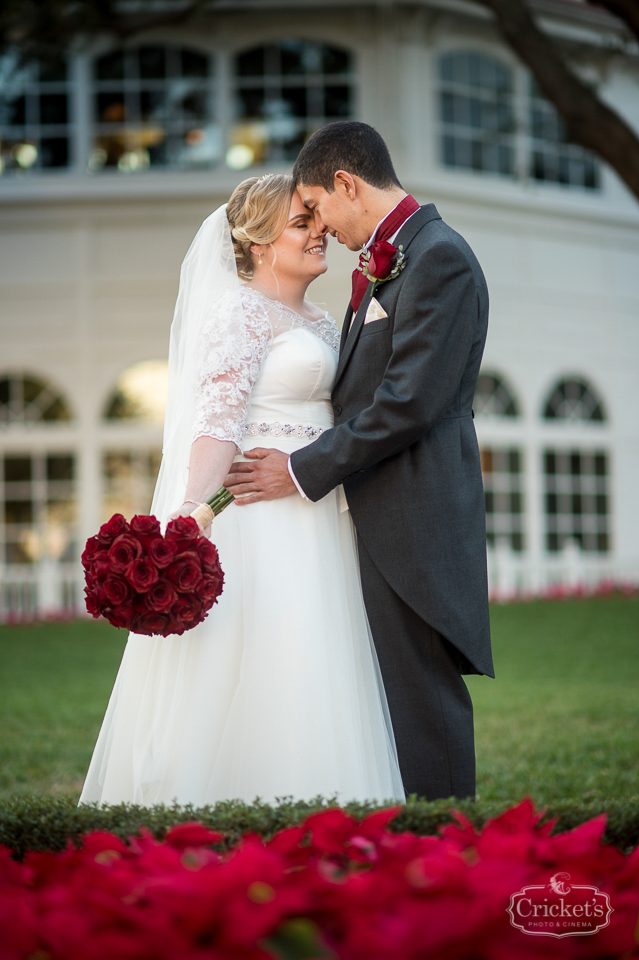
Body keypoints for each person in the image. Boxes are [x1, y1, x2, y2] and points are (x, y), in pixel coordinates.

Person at [79, 173, 404, 807]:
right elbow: (216, 425)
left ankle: (327, 810)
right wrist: (187, 518)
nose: (319, 234)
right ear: (256, 242)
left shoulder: (319, 321)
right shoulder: (240, 313)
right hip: (259, 520)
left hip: (317, 515)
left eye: (317, 221)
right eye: (301, 223)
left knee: (314, 663)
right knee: (260, 657)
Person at [225, 122, 494, 802]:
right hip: (373, 507)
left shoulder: (438, 257)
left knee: (420, 697)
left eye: (314, 208)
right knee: (385, 698)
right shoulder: (388, 259)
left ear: (346, 184)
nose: (318, 227)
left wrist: (297, 469)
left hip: (415, 508)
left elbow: (409, 403)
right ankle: (401, 848)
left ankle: (446, 848)